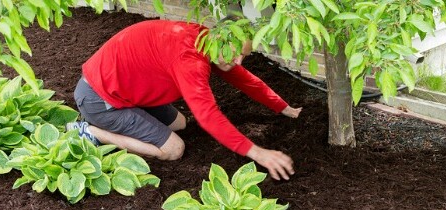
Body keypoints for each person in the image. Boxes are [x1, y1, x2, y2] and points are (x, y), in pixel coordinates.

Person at [66, 17, 302, 180]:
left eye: (244, 55)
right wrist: (258, 152)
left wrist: (284, 108)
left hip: (124, 89)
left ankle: (127, 119)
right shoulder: (190, 60)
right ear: (221, 39)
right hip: (99, 99)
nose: (239, 61)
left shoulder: (207, 39)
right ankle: (91, 132)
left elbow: (245, 79)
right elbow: (207, 115)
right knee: (173, 149)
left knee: (180, 124)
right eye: (237, 53)